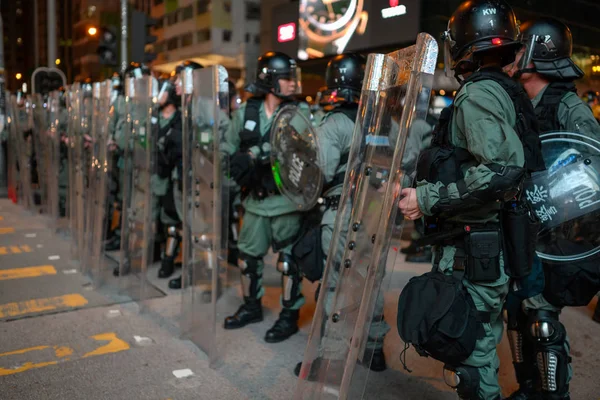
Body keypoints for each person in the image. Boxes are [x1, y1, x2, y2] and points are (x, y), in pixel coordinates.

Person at [399, 1, 545, 398]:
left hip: (474, 245)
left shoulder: (479, 94)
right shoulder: (504, 91)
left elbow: (502, 168)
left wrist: (426, 198)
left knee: (471, 351)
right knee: (479, 337)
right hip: (487, 240)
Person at [502, 17, 600, 400]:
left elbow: (593, 174)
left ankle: (552, 394)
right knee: (516, 314)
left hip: (556, 239)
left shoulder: (569, 109)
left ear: (535, 54)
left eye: (517, 48)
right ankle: (528, 387)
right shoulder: (521, 104)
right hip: (522, 230)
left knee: (541, 319)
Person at [221, 51, 310, 343]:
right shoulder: (246, 112)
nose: (292, 84)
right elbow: (227, 148)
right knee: (248, 260)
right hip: (255, 201)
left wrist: (257, 155)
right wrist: (232, 168)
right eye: (286, 78)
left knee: (288, 263)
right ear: (269, 80)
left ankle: (288, 316)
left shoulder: (300, 113)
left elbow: (296, 152)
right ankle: (251, 307)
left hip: (285, 200)